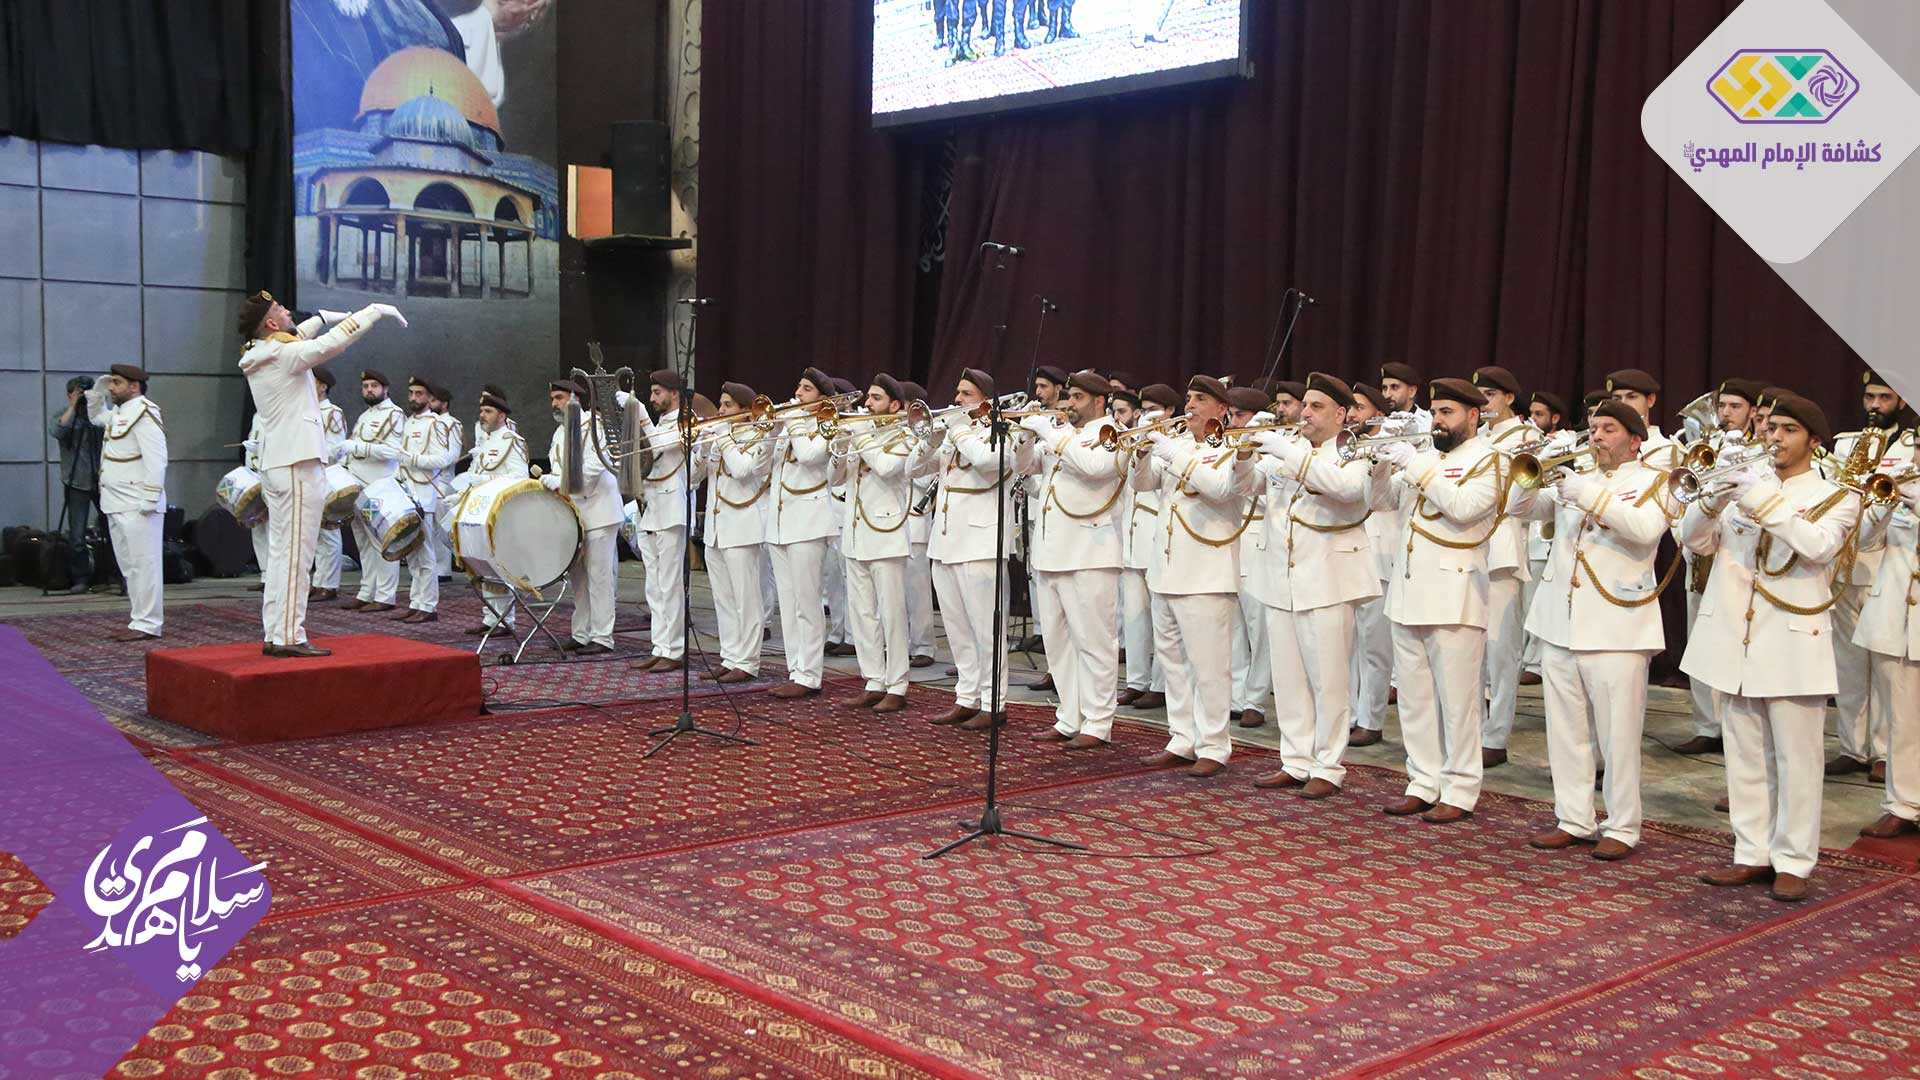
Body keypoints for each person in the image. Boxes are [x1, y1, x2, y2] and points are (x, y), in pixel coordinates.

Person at [1683, 393, 1857, 901]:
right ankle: (1751, 852)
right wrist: (1712, 500)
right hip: (1735, 641)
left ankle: (1794, 860)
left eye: (1788, 430)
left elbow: (1818, 546)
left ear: (1814, 441)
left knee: (1797, 761)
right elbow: (1694, 541)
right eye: (1771, 427)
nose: (1774, 437)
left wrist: (1759, 497)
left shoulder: (1837, 495)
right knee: (1744, 756)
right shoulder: (1745, 485)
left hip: (1792, 644)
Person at [1516, 402, 1668, 860]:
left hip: (1617, 624)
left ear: (1635, 440)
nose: (1596, 436)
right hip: (1560, 622)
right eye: (1594, 428)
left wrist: (1587, 494)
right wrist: (1529, 470)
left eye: (1609, 429)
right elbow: (1519, 509)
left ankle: (1622, 825)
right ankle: (1573, 818)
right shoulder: (1576, 478)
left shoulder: (1655, 481)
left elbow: (1645, 530)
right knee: (1565, 730)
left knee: (1618, 735)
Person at [237, 292, 405, 656]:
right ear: (271, 323)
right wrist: (372, 312)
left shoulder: (264, 352)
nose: (287, 311)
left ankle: (276, 631)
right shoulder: (282, 355)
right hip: (297, 464)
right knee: (297, 555)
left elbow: (301, 334)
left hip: (281, 463)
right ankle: (289, 636)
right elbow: (331, 344)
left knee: (282, 554)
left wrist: (323, 316)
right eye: (280, 310)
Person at [1246, 373, 1380, 797]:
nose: (1305, 413)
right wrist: (1243, 457)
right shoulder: (1291, 447)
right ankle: (1295, 759)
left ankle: (1328, 765)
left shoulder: (1354, 451)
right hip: (1281, 577)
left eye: (1316, 406)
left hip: (1328, 579)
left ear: (1341, 414)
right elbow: (1243, 487)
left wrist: (1287, 452)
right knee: (1288, 679)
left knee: (1329, 680)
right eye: (1304, 405)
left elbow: (1347, 490)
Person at [1377, 378, 1500, 823]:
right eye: (1435, 412)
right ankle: (1422, 780)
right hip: (1409, 591)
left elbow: (1464, 508)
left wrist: (1415, 464)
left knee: (1458, 701)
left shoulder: (1490, 460)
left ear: (1474, 415)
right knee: (1414, 699)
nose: (1438, 421)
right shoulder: (1426, 457)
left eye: (1448, 412)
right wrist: (1379, 464)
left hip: (1455, 594)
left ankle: (1461, 788)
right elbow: (1381, 503)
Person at [1132, 376, 1261, 777]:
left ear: (1222, 409)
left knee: (1209, 666)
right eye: (1189, 398)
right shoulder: (1180, 445)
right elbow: (1142, 484)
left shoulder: (1231, 448)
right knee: (1172, 662)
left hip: (1206, 572)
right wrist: (1142, 452)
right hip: (1167, 570)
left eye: (1200, 399)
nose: (1189, 406)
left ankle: (1214, 744)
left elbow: (1221, 490)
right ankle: (1181, 737)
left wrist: (1171, 452)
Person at [918, 369, 1034, 728]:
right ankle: (966, 696)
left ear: (985, 399)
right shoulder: (958, 432)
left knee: (987, 631)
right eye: (957, 392)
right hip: (945, 541)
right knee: (957, 628)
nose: (956, 400)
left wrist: (958, 431)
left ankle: (993, 702)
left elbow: (988, 463)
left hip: (981, 543)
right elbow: (914, 469)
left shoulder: (1004, 431)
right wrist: (929, 440)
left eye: (966, 394)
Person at [1026, 371, 1126, 749]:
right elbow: (1024, 467)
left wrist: (1050, 432)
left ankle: (1098, 722)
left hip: (1090, 551)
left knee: (1095, 642)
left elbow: (1095, 467)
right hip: (1052, 550)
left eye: (1079, 398)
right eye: (1070, 396)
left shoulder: (1112, 432)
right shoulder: (1064, 434)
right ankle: (1070, 715)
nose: (1070, 403)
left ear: (1100, 401)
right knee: (1057, 643)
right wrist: (1025, 437)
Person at [1826, 370, 1917, 781]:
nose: (1875, 406)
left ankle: (1884, 751)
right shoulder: (1847, 443)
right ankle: (1852, 746)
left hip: (1890, 566)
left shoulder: (1911, 444)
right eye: (1869, 397)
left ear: (1901, 400)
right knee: (1847, 664)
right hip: (1850, 561)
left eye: (1884, 397)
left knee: (1886, 671)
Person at [833, 374, 916, 713]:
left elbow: (886, 468)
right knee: (862, 613)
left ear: (894, 405)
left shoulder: (905, 434)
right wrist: (839, 448)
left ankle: (897, 684)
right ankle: (873, 679)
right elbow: (835, 479)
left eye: (876, 398)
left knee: (891, 614)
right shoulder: (860, 434)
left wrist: (860, 436)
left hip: (886, 534)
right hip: (856, 535)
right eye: (868, 397)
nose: (867, 404)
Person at [1852, 463, 1920, 840]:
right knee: (1900, 720)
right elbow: (1863, 543)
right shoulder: (1901, 487)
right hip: (1893, 618)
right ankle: (1902, 805)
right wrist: (1880, 508)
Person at [1472, 366, 1534, 769]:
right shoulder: (1476, 436)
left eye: (1490, 395)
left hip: (1503, 547)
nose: (1484, 404)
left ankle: (1496, 736)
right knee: (1472, 651)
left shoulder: (1526, 436)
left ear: (1509, 398)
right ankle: (1472, 730)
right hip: (1469, 546)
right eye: (1480, 397)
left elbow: (1521, 495)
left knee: (1501, 651)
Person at [766, 368, 841, 698]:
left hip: (809, 522)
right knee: (788, 603)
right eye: (798, 386)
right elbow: (765, 467)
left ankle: (810, 674)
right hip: (780, 522)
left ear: (822, 398)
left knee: (807, 603)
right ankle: (795, 668)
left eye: (806, 389)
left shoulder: (827, 424)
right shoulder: (790, 427)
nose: (797, 393)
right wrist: (771, 430)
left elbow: (811, 457)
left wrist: (794, 423)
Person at [694, 382, 773, 683]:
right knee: (723, 598)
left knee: (746, 598)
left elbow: (742, 471)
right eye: (721, 404)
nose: (721, 410)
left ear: (745, 410)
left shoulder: (758, 436)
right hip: (716, 528)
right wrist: (702, 449)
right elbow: (694, 478)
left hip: (743, 527)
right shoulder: (719, 438)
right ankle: (729, 656)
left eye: (727, 405)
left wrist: (723, 439)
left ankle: (748, 661)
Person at [87, 364, 167, 641]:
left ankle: (149, 623)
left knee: (145, 565)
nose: (112, 387)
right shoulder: (121, 412)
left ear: (134, 386)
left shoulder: (144, 412)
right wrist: (97, 391)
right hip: (116, 501)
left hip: (138, 502)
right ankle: (139, 619)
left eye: (116, 383)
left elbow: (157, 459)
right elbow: (97, 417)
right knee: (130, 566)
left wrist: (150, 497)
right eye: (111, 383)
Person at [542, 380, 623, 654]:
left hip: (599, 510)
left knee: (599, 576)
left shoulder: (595, 427)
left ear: (575, 398)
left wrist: (559, 483)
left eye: (559, 397)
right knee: (578, 578)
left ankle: (603, 636)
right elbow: (557, 466)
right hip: (573, 514)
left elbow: (592, 469)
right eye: (552, 399)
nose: (554, 404)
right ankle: (581, 633)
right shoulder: (559, 432)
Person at [454, 388, 529, 636]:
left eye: (488, 411)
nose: (482, 415)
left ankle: (505, 620)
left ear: (502, 415)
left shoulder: (512, 441)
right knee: (482, 564)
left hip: (501, 512)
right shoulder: (486, 442)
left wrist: (484, 480)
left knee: (499, 566)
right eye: (481, 411)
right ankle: (490, 617)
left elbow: (520, 477)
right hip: (481, 511)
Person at [1348, 383, 1397, 747]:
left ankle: (1371, 719)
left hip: (1381, 556)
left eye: (1360, 408)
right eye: (1350, 408)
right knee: (1347, 647)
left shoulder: (1395, 446)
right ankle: (1348, 714)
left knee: (1375, 647)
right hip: (1349, 554)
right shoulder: (1347, 445)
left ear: (1378, 414)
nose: (1352, 415)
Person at [1116, 384, 1171, 711]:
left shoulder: (1175, 444)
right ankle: (1136, 681)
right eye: (1144, 410)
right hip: (1132, 539)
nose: (1146, 416)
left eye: (1154, 410)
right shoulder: (1136, 440)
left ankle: (1160, 685)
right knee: (1134, 618)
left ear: (1170, 412)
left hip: (1156, 540)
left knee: (1161, 620)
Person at [1224, 385, 1275, 729]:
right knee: (1232, 626)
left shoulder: (1275, 450)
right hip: (1229, 538)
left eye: (1239, 415)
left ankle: (1255, 699)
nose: (1233, 421)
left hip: (1258, 537)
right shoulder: (1228, 444)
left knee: (1260, 628)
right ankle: (1236, 694)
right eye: (1231, 414)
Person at [635, 369, 692, 671]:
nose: (653, 398)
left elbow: (656, 448)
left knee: (670, 585)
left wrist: (640, 416)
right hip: (651, 509)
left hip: (671, 510)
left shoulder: (686, 422)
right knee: (654, 585)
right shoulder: (658, 424)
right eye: (652, 393)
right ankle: (660, 645)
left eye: (658, 393)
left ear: (674, 394)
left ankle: (675, 649)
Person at [392, 376, 458, 623]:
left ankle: (428, 606)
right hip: (407, 491)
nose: (413, 398)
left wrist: (412, 459)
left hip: (425, 493)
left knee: (425, 551)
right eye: (411, 393)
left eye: (419, 393)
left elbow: (442, 459)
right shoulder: (409, 422)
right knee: (411, 551)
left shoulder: (436, 424)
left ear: (430, 398)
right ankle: (416, 601)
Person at [341, 370, 408, 612]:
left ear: (385, 389)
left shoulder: (395, 414)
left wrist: (357, 447)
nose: (369, 390)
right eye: (366, 386)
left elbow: (393, 451)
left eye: (374, 386)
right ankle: (366, 591)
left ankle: (385, 596)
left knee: (382, 541)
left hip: (378, 488)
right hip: (358, 486)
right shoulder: (364, 416)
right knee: (363, 542)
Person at [898, 379, 939, 670]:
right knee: (894, 592)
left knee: (917, 589)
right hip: (888, 521)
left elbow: (926, 479)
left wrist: (909, 458)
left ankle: (924, 645)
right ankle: (899, 644)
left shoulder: (925, 437)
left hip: (914, 520)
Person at [51, 375, 103, 594]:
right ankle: (80, 578)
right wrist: (73, 406)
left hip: (102, 481)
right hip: (76, 482)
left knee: (114, 530)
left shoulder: (98, 417)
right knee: (77, 535)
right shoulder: (63, 415)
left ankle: (116, 575)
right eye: (79, 394)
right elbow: (58, 431)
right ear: (69, 395)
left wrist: (96, 404)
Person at [310, 367, 347, 603]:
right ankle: (319, 581)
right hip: (310, 474)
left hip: (326, 474)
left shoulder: (332, 413)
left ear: (323, 386)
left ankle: (330, 584)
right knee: (315, 533)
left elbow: (336, 448)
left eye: (312, 381)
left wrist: (311, 452)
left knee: (329, 531)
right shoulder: (306, 409)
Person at [427, 383, 464, 580]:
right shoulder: (427, 422)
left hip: (442, 480)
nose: (430, 404)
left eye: (434, 400)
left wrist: (432, 462)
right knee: (428, 526)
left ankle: (443, 569)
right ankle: (431, 566)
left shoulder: (452, 424)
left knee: (441, 525)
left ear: (445, 403)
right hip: (424, 480)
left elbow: (453, 454)